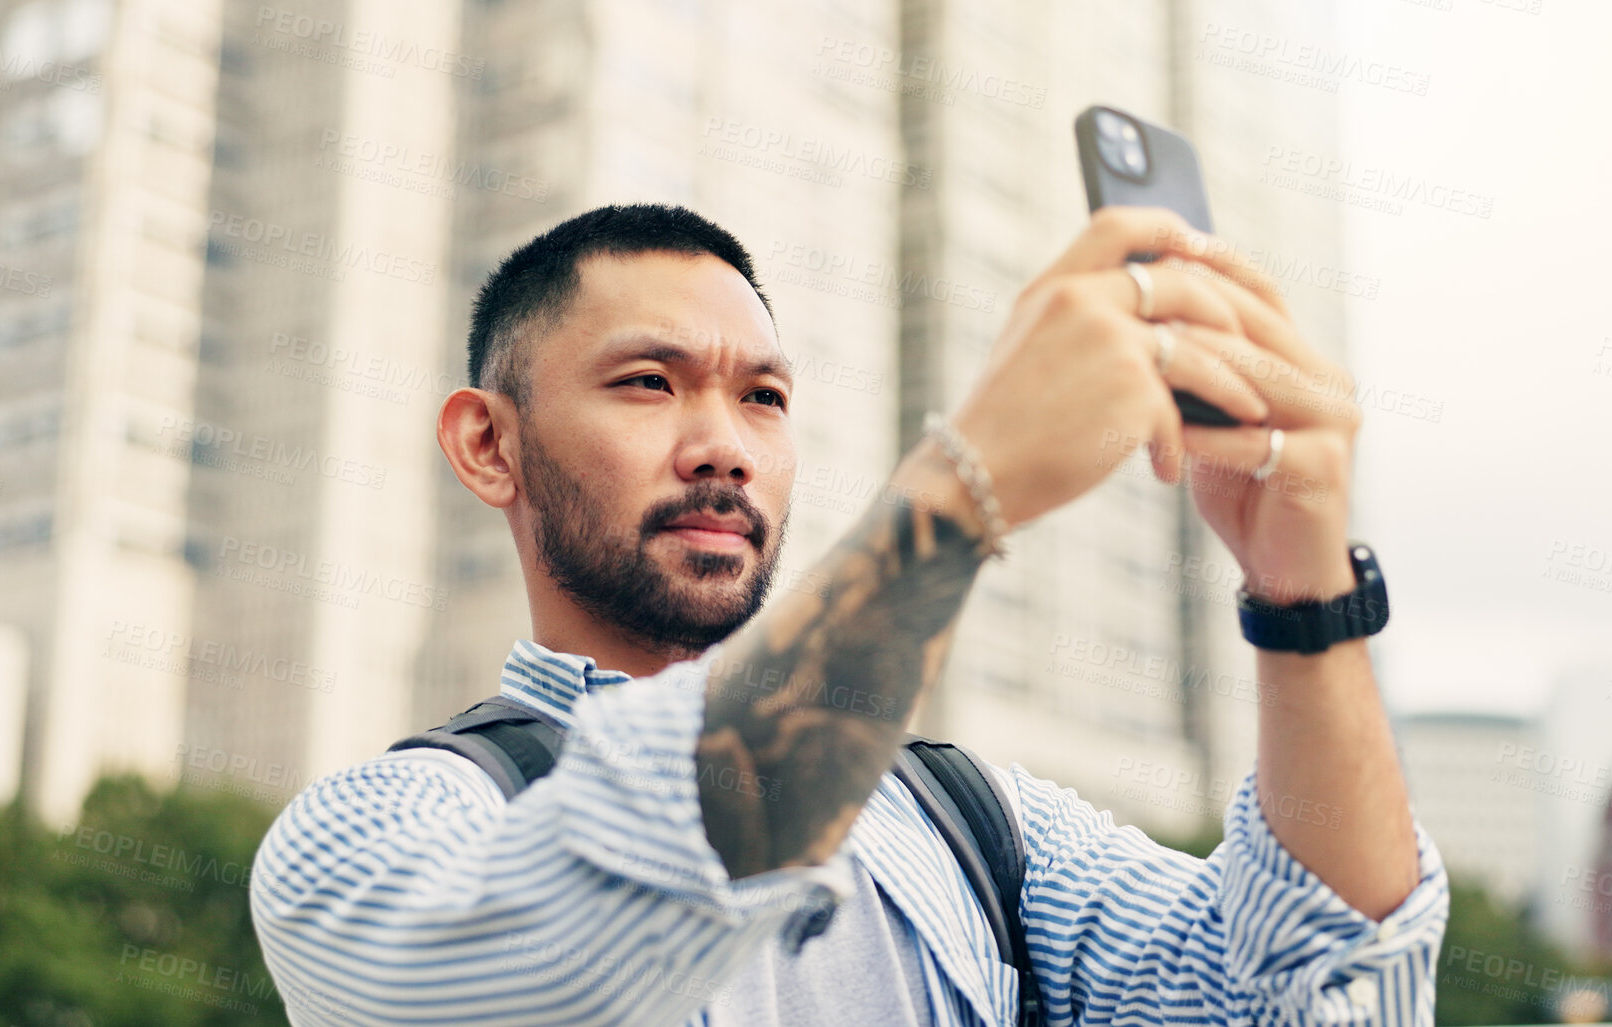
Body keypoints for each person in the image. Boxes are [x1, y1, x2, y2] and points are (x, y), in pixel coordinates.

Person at [249, 203, 1447, 1026]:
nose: (722, 443)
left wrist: (1309, 598)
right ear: (488, 443)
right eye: (647, 382)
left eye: (764, 397)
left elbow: (1321, 987)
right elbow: (568, 951)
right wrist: (967, 482)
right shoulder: (372, 837)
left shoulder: (975, 826)